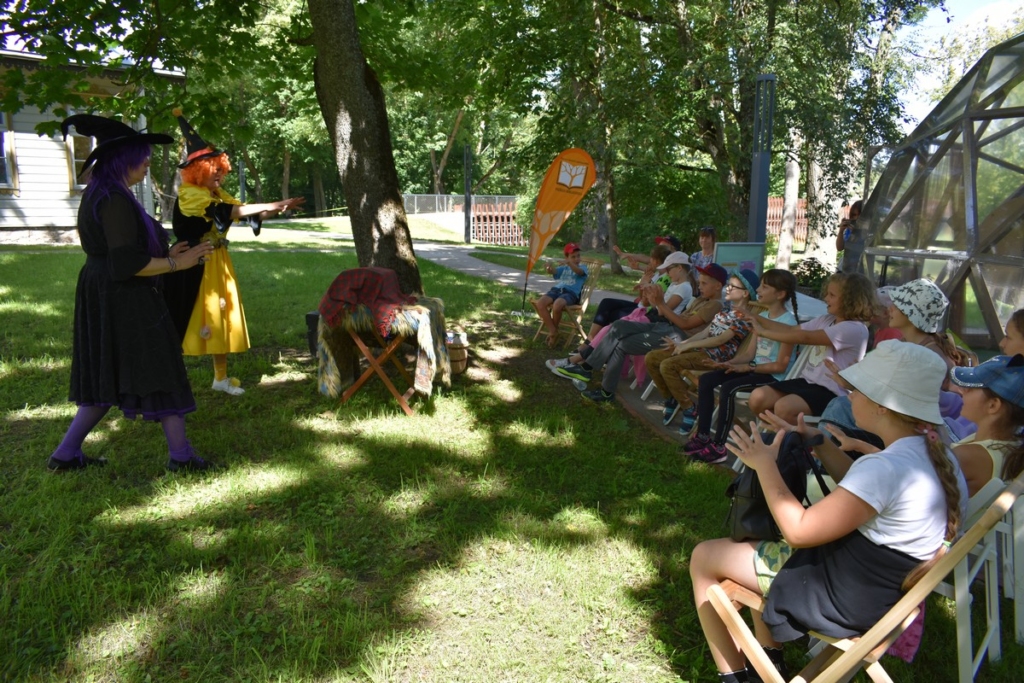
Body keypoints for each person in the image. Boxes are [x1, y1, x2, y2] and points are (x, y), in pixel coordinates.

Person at [689, 341, 966, 683]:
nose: (849, 395)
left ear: (882, 406)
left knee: (705, 556)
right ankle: (767, 665)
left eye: (856, 389)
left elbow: (798, 531)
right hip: (881, 594)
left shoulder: (886, 467)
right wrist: (818, 441)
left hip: (841, 599)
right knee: (761, 545)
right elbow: (864, 492)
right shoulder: (937, 456)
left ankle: (736, 678)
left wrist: (764, 464)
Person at [48, 115, 215, 472]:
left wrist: (167, 254)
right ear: (124, 160)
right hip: (123, 295)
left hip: (105, 291)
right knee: (161, 366)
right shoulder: (113, 198)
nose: (147, 163)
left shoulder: (105, 192)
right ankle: (181, 457)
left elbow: (120, 251)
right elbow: (125, 263)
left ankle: (65, 454)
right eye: (142, 158)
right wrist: (177, 265)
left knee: (107, 372)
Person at [165, 110, 304, 396]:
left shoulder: (216, 194)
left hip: (216, 261)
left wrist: (279, 208)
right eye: (213, 169)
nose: (219, 173)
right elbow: (229, 212)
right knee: (184, 317)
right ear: (197, 171)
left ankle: (220, 378)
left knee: (220, 317)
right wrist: (273, 204)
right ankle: (169, 380)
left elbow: (242, 212)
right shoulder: (191, 194)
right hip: (192, 263)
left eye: (221, 168)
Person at [553, 262, 725, 402]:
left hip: (677, 337)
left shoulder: (715, 305)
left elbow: (685, 325)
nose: (699, 286)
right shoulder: (702, 299)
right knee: (618, 326)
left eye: (704, 283)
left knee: (621, 344)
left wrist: (661, 303)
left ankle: (596, 380)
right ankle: (595, 378)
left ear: (718, 286)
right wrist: (653, 300)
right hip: (666, 327)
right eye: (700, 282)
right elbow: (671, 315)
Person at [818, 278, 955, 444]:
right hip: (895, 421)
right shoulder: (909, 345)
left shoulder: (926, 355)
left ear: (911, 314)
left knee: (841, 406)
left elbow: (903, 403)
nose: (889, 308)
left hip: (906, 430)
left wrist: (854, 385)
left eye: (896, 305)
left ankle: (820, 453)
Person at [682, 269, 799, 464]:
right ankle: (702, 436)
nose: (758, 290)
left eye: (764, 287)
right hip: (753, 368)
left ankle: (719, 447)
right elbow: (749, 354)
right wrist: (726, 364)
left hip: (772, 377)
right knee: (707, 379)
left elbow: (780, 367)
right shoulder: (762, 316)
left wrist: (748, 368)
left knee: (728, 388)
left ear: (780, 294)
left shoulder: (788, 323)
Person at [744, 272, 875, 423]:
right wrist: (754, 317)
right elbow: (790, 330)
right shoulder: (826, 320)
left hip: (832, 390)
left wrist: (763, 332)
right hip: (807, 382)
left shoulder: (855, 329)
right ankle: (781, 433)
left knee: (784, 408)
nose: (826, 298)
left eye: (832, 295)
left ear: (850, 300)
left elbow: (804, 337)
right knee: (757, 398)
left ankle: (794, 435)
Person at [645, 268, 760, 438]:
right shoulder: (725, 311)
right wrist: (681, 344)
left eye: (732, 286)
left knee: (668, 365)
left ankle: (689, 407)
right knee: (652, 357)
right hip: (701, 351)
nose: (727, 288)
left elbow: (720, 340)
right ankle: (672, 397)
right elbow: (704, 333)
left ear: (745, 293)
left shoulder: (744, 318)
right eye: (728, 285)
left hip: (715, 357)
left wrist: (689, 346)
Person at [948, 354, 1024, 496]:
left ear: (993, 405)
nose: (962, 390)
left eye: (971, 388)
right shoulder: (1014, 445)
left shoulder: (968, 456)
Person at [531, 242, 590, 347]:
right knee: (540, 304)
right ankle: (553, 331)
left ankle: (553, 333)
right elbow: (554, 272)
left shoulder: (583, 267)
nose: (577, 259)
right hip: (557, 290)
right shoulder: (564, 268)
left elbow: (579, 272)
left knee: (557, 305)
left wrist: (570, 263)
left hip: (570, 294)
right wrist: (549, 268)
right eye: (573, 257)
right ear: (567, 257)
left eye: (578, 256)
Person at [836, 200, 864, 273]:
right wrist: (841, 231)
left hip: (861, 268)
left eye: (860, 215)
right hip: (846, 267)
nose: (856, 218)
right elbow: (839, 247)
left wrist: (858, 232)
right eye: (854, 215)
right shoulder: (849, 229)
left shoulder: (869, 230)